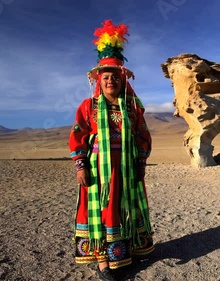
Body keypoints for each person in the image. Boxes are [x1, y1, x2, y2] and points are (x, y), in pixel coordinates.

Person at [68, 19, 153, 281]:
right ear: (99, 80)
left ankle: (123, 256)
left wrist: (141, 163)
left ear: (122, 80)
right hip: (98, 171)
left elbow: (142, 134)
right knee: (101, 211)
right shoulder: (88, 106)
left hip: (126, 169)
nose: (110, 81)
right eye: (106, 77)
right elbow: (78, 134)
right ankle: (103, 261)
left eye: (115, 77)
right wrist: (81, 165)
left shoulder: (131, 107)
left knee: (124, 208)